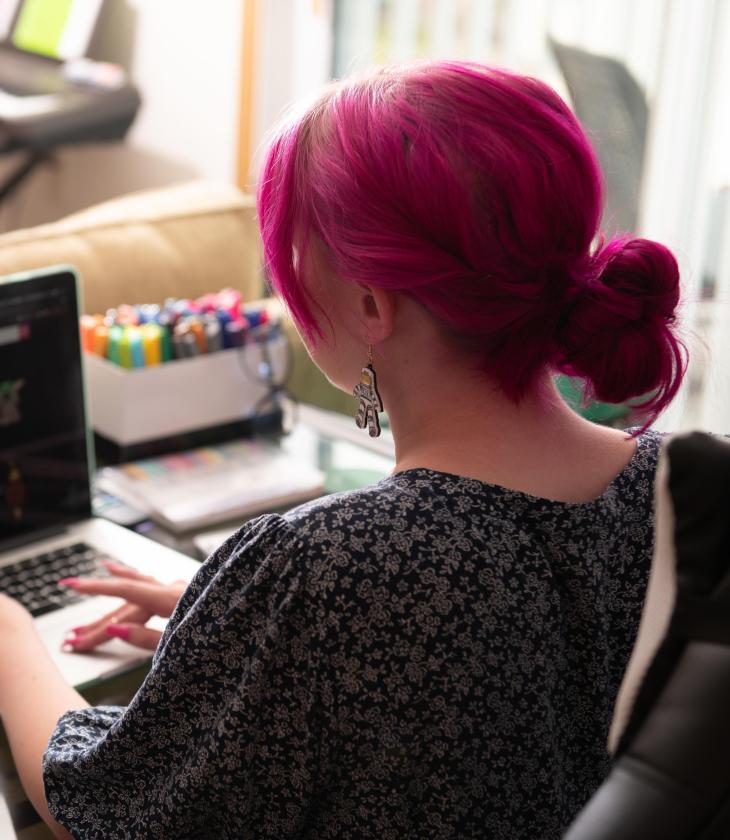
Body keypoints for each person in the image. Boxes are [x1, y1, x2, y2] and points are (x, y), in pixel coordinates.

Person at [0, 60, 686, 839]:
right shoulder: (687, 493)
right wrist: (238, 629)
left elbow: (101, 806)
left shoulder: (324, 571)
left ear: (368, 303)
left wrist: (11, 637)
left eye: (292, 257)